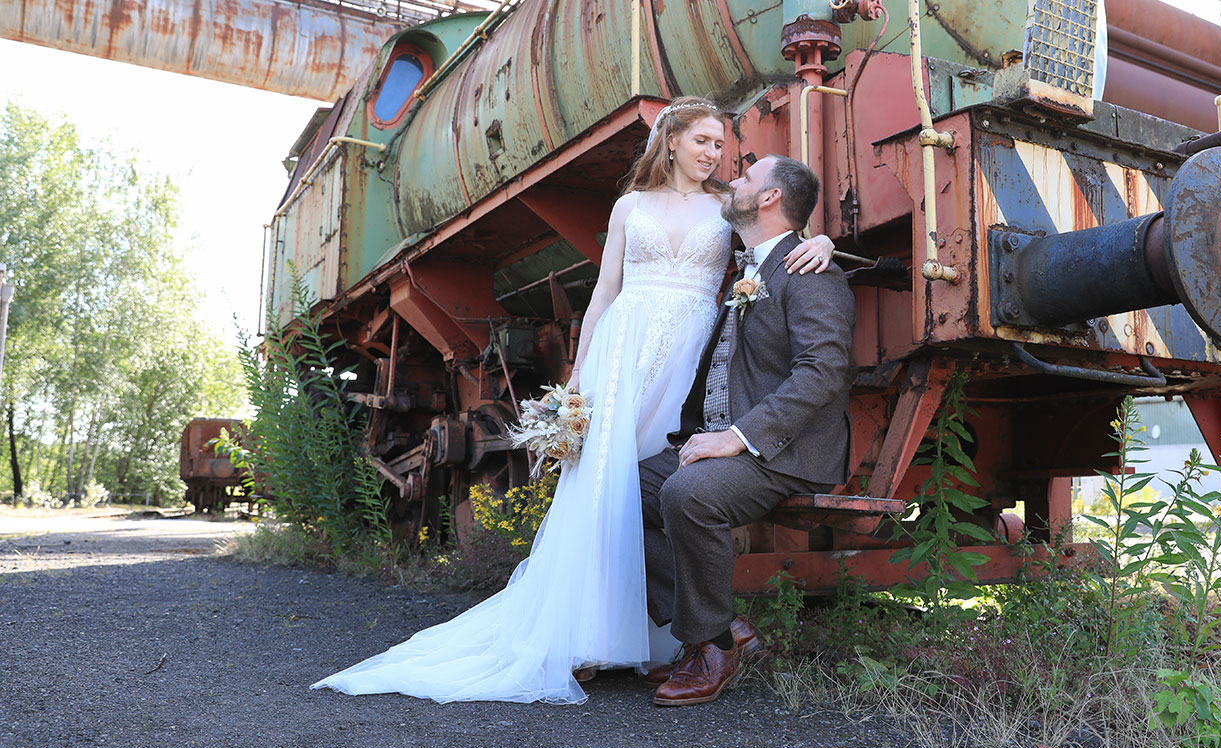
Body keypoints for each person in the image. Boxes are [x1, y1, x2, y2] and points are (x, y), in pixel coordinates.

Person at [310, 97, 835, 704]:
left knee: (653, 487)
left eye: (721, 146)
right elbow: (606, 292)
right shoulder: (629, 206)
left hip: (688, 358)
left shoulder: (727, 204)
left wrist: (822, 244)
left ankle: (680, 636)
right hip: (622, 355)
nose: (714, 154)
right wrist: (578, 382)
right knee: (601, 489)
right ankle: (586, 636)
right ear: (671, 141)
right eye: (703, 142)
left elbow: (779, 238)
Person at [638, 153, 857, 707]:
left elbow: (824, 371)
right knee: (620, 491)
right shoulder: (753, 268)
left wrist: (738, 437)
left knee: (687, 494)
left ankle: (709, 647)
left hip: (781, 450)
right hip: (727, 441)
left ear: (768, 199)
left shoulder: (812, 272)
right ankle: (726, 626)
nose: (732, 181)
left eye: (746, 177)